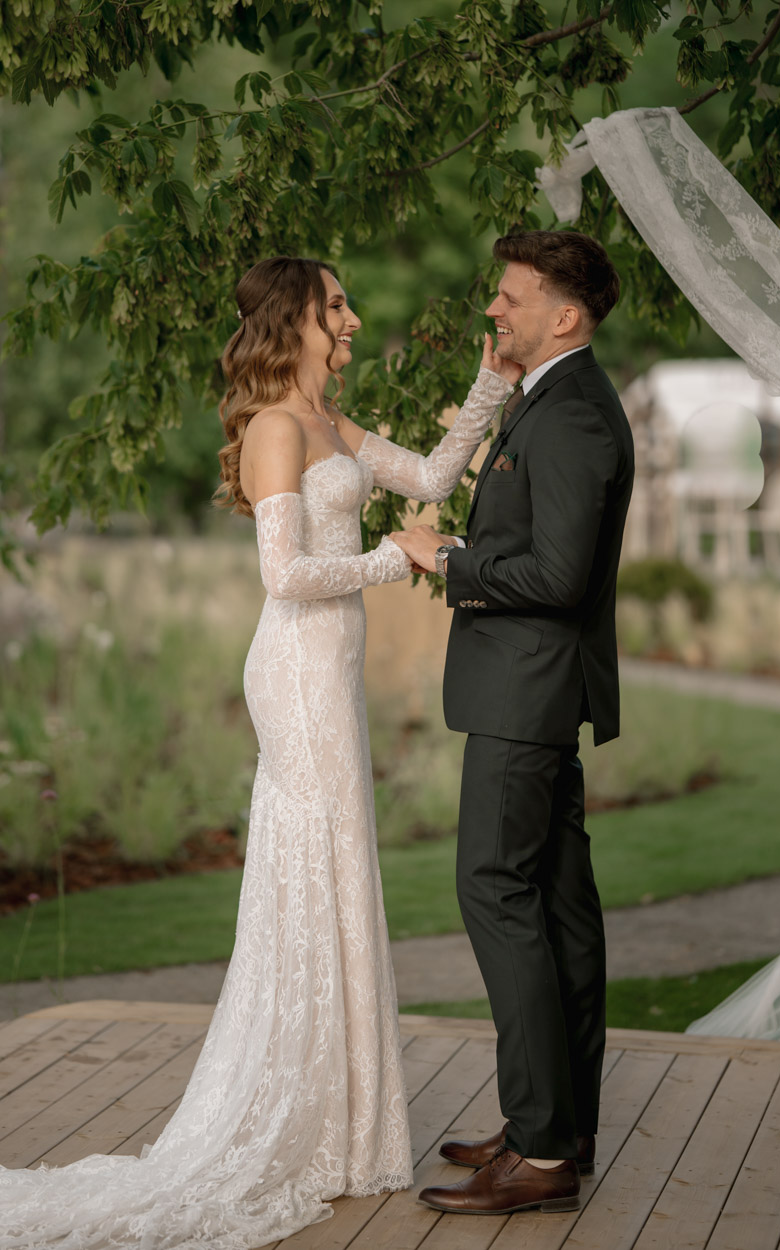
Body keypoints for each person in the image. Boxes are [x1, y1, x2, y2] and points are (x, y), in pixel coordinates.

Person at [0, 256, 519, 1250]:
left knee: (339, 871)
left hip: (332, 672)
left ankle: (347, 1130)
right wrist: (395, 555)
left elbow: (432, 475)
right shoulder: (278, 429)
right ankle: (306, 1121)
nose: (353, 318)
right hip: (296, 673)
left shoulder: (331, 422)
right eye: (338, 304)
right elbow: (284, 575)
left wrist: (490, 382)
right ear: (298, 317)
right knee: (314, 871)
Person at [392, 230, 635, 1216]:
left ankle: (538, 1152)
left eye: (511, 296)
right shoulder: (553, 398)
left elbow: (559, 575)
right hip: (534, 690)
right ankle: (556, 1126)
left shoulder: (571, 414)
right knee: (559, 907)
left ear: (564, 315)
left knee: (495, 892)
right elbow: (540, 545)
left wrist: (449, 561)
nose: (493, 308)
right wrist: (466, 547)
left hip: (524, 693)